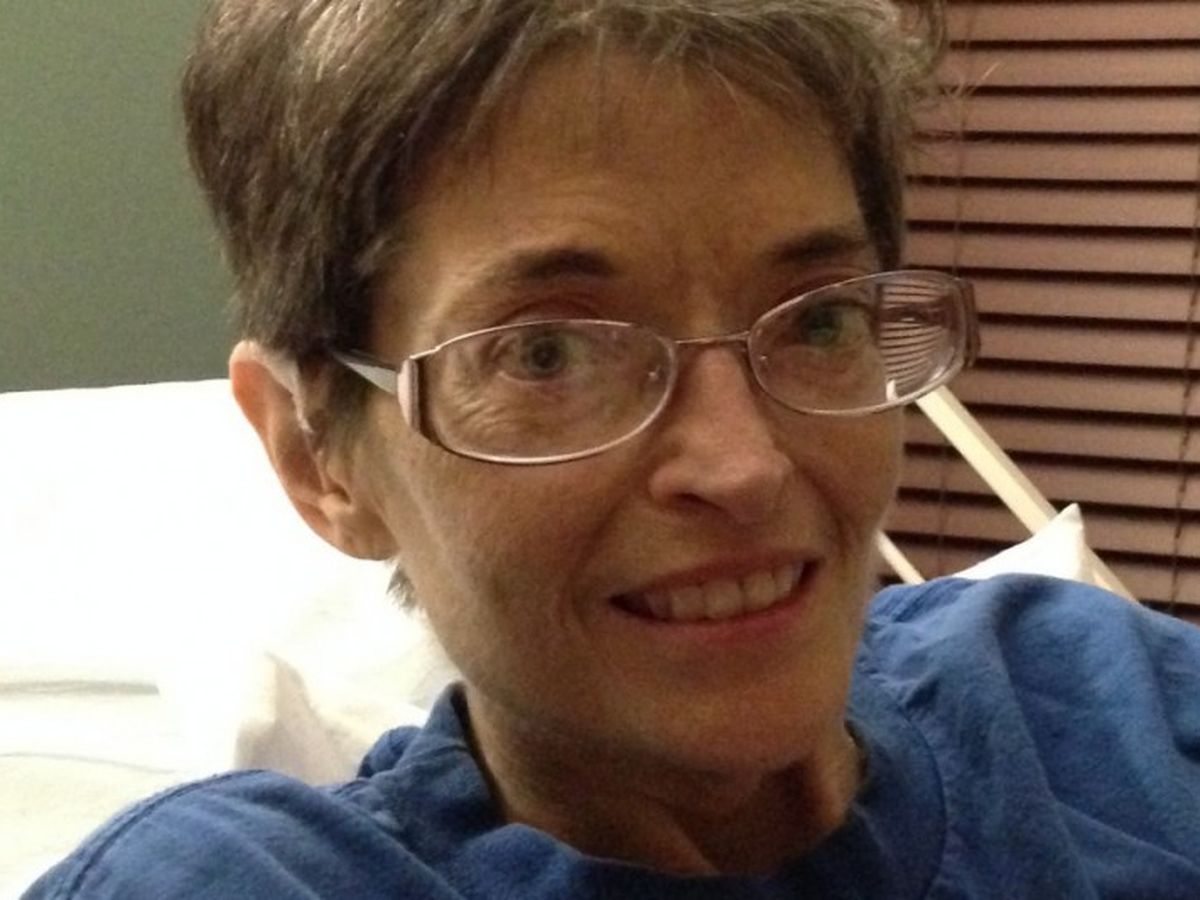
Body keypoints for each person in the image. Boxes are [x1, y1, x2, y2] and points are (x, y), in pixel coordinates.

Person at [26, 0, 1200, 897]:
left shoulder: (1103, 704)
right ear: (315, 458)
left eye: (821, 321)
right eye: (546, 355)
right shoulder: (248, 878)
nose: (744, 466)